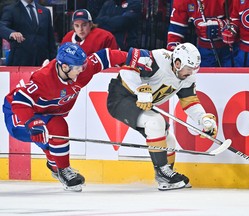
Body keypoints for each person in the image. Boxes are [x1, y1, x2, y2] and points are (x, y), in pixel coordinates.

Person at [2, 42, 127, 192]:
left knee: (54, 137)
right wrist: (33, 123)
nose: (82, 70)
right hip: (19, 114)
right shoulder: (43, 78)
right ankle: (63, 171)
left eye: (83, 65)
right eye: (77, 67)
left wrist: (137, 56)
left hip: (44, 112)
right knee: (57, 127)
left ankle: (56, 166)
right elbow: (20, 102)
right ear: (65, 67)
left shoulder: (82, 69)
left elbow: (106, 56)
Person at [107, 43, 218, 191]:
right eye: (189, 69)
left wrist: (203, 118)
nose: (191, 73)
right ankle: (162, 172)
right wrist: (140, 91)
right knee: (156, 122)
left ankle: (167, 175)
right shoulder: (159, 59)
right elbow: (128, 69)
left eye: (194, 69)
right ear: (177, 63)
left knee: (169, 139)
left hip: (141, 103)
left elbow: (189, 102)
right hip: (120, 98)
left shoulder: (187, 77)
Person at [167, 0, 236, 67]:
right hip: (204, 51)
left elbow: (237, 18)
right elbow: (176, 30)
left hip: (229, 49)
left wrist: (223, 25)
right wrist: (172, 52)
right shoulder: (182, 1)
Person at [0, 0, 56, 66]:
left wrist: (53, 61)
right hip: (20, 62)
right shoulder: (11, 10)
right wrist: (11, 33)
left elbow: (50, 39)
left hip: (42, 62)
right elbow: (2, 27)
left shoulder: (45, 11)